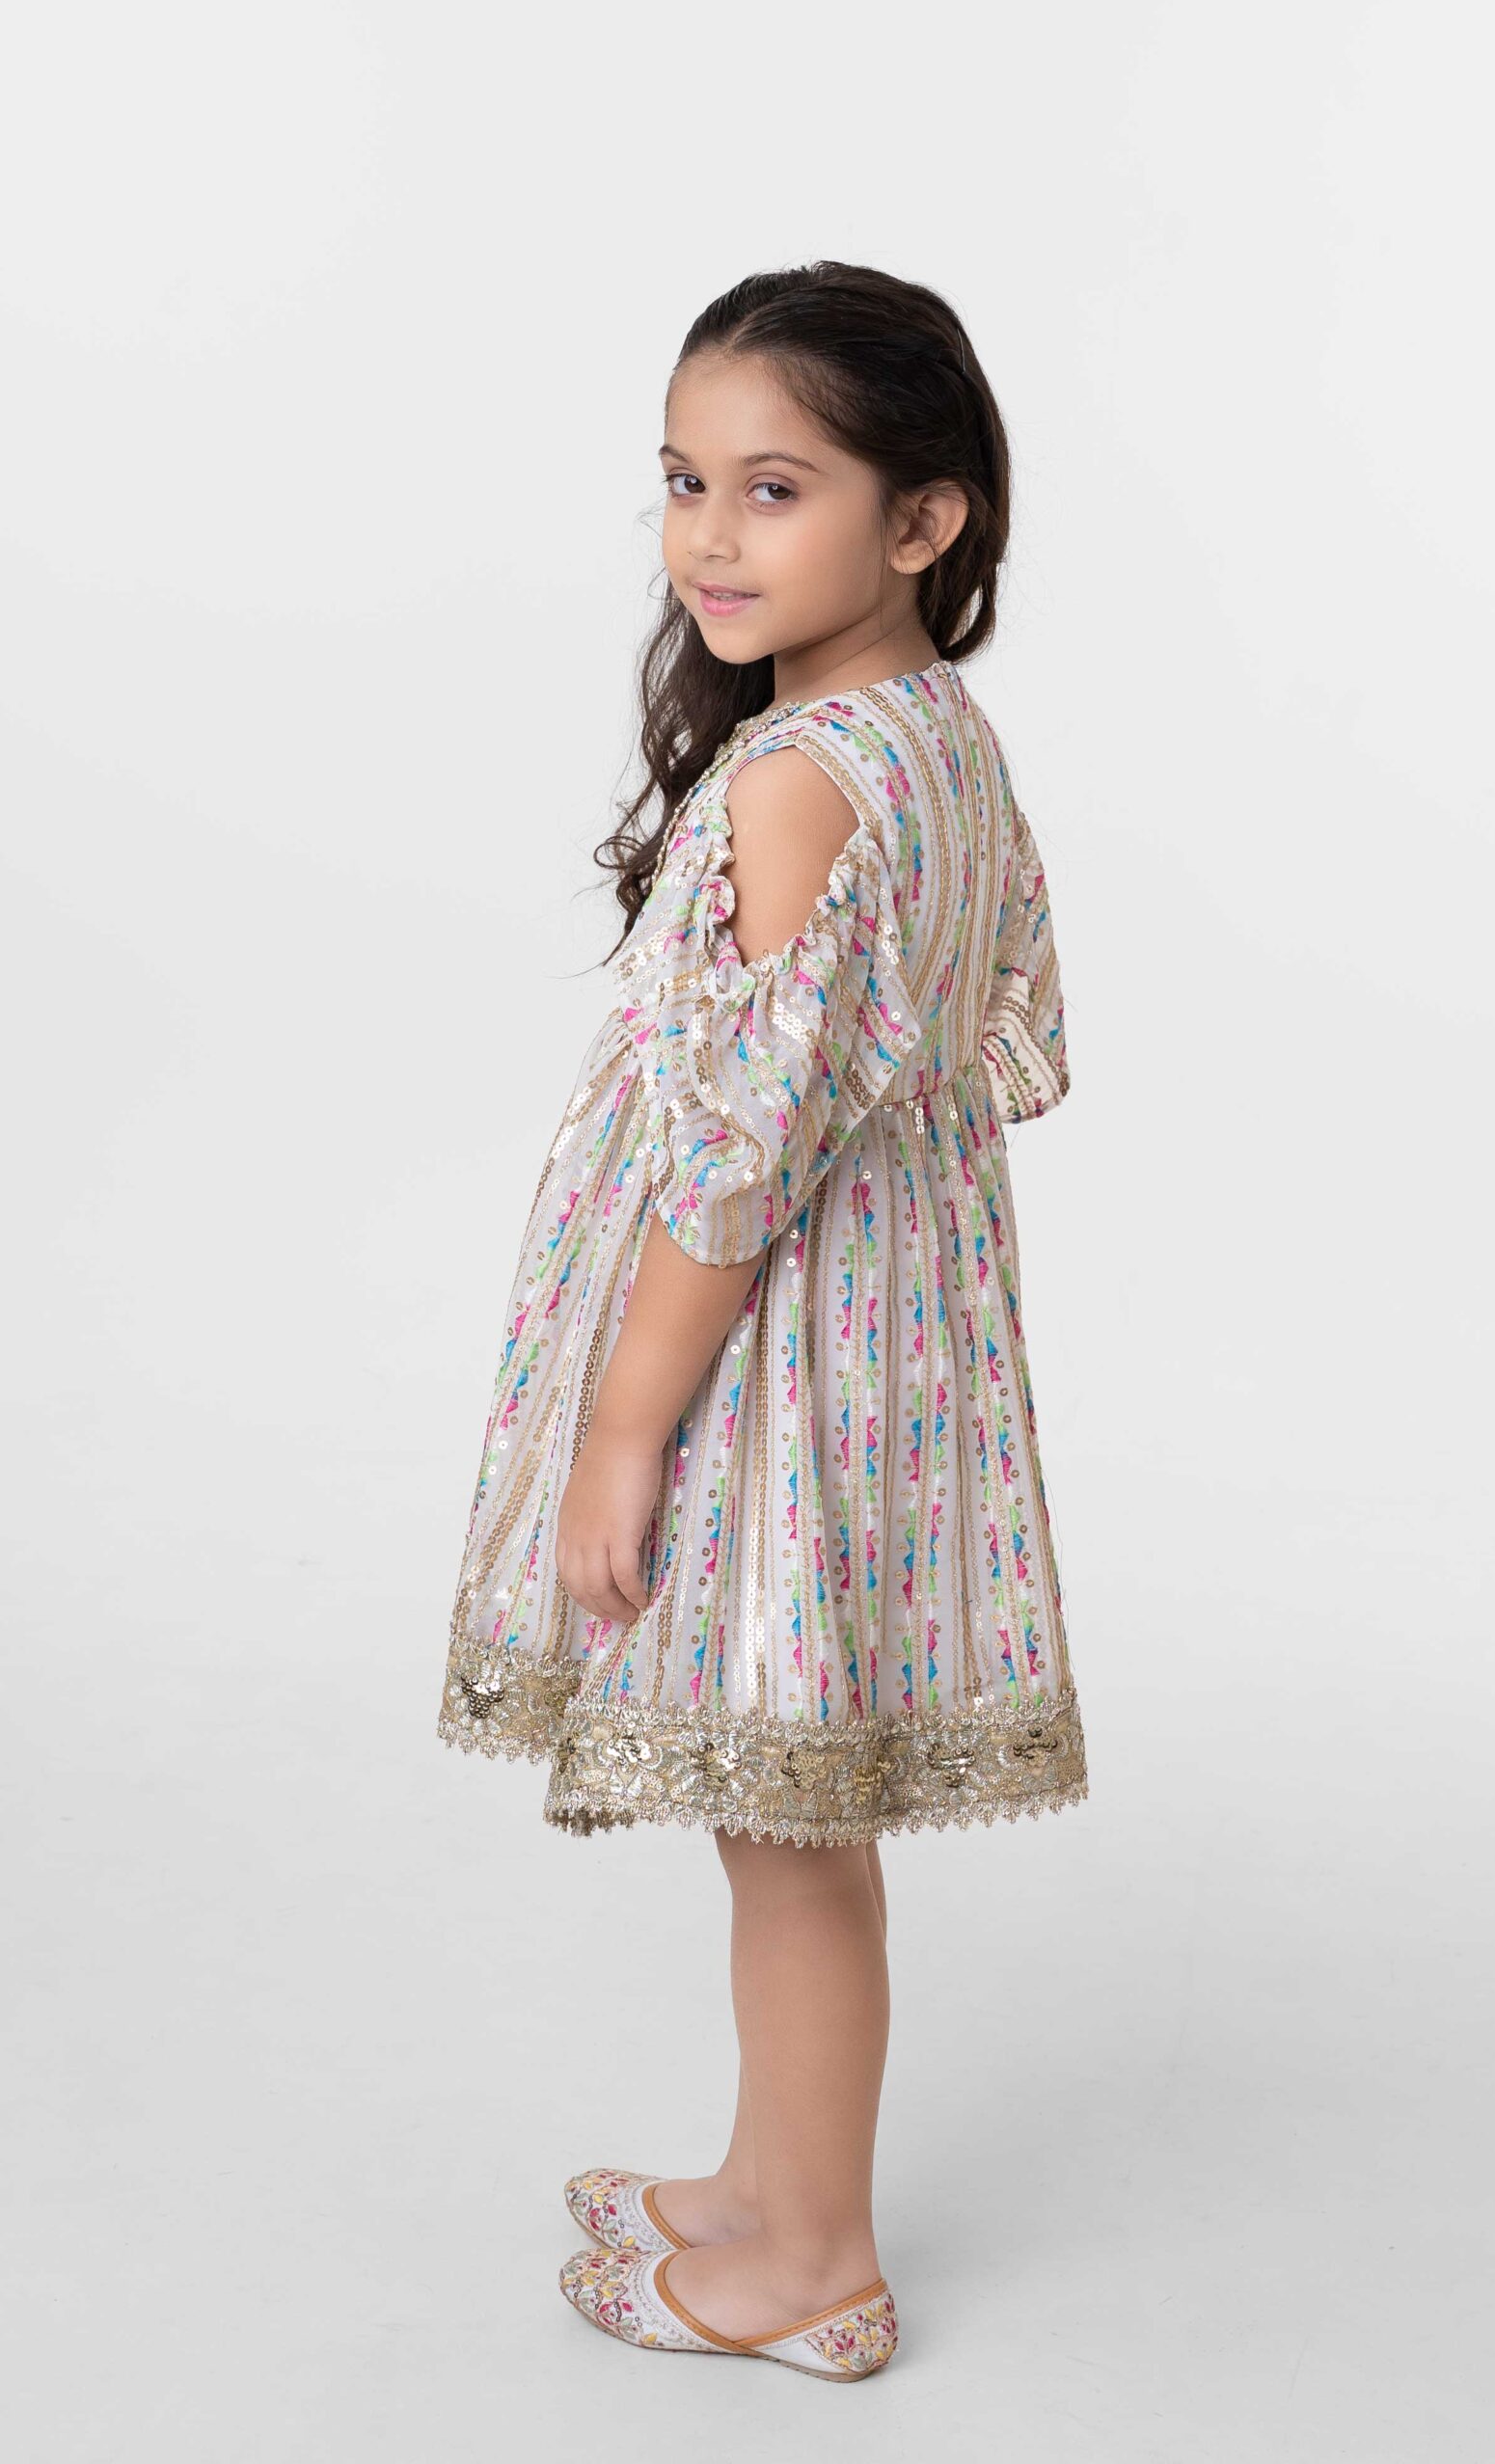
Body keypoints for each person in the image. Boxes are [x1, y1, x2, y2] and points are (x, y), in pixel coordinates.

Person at [436, 259, 1088, 2382]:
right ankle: (765, 2173)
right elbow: (978, 1042)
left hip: (773, 1363)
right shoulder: (934, 736)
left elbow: (735, 1162)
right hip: (880, 1348)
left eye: (775, 486)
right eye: (682, 480)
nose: (708, 537)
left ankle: (810, 2253)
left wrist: (625, 1427)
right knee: (789, 1820)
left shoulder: (803, 777)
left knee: (788, 1831)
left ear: (925, 518)